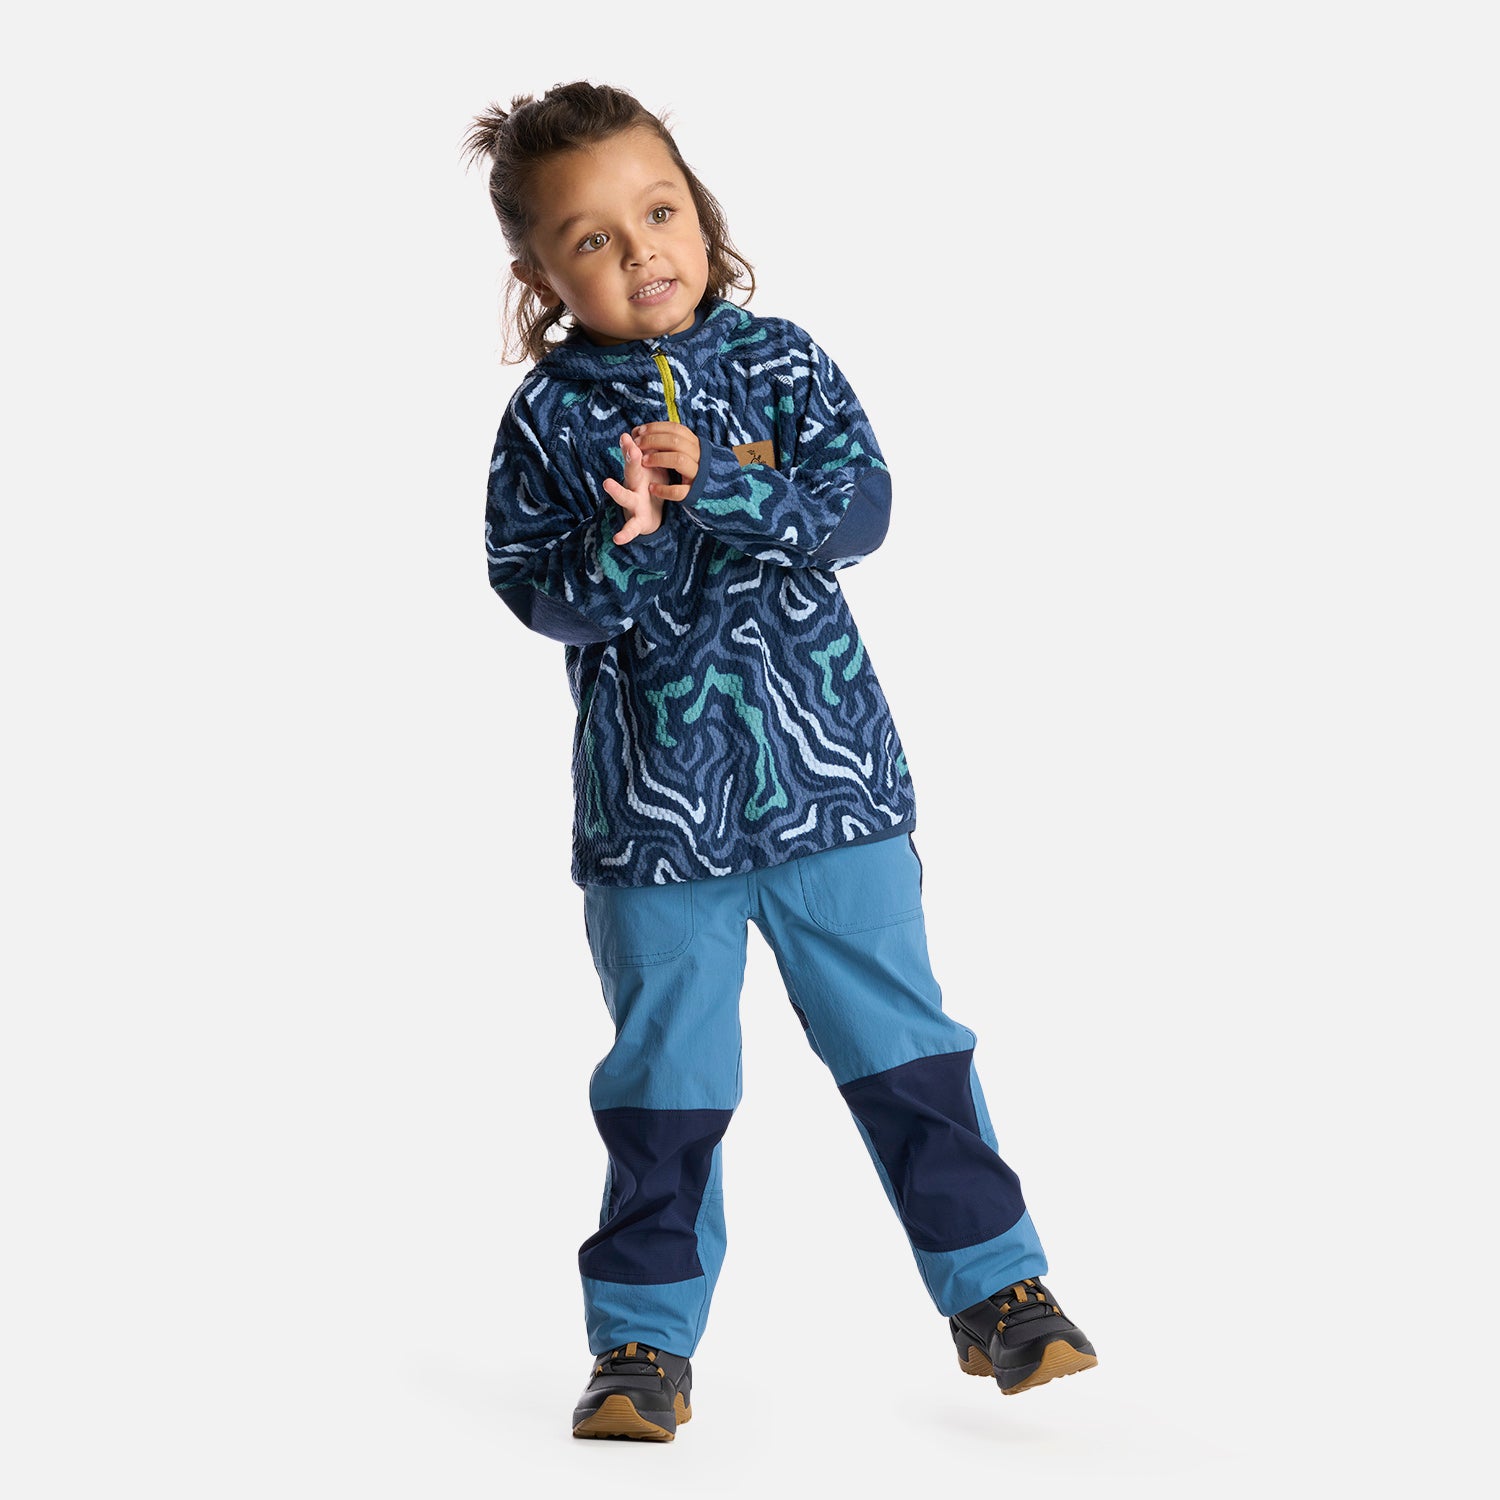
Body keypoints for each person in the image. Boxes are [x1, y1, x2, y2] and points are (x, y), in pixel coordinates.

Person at [463, 80, 1097, 1442]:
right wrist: (623, 541)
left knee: (906, 1053)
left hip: (836, 794)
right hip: (656, 825)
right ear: (538, 276)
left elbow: (860, 512)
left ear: (699, 212)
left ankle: (1001, 1291)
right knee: (665, 1091)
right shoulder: (547, 422)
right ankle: (641, 1342)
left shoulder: (785, 363)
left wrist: (728, 486)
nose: (639, 252)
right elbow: (532, 592)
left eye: (658, 212)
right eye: (590, 239)